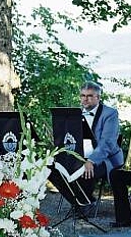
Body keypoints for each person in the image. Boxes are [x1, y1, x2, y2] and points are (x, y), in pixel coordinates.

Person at [49, 81, 124, 216]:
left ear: (98, 97)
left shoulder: (110, 114)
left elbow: (107, 143)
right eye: (82, 95)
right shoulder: (74, 114)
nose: (85, 99)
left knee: (84, 168)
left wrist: (91, 160)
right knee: (51, 167)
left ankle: (83, 205)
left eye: (89, 96)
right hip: (78, 156)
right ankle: (83, 202)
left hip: (105, 159)